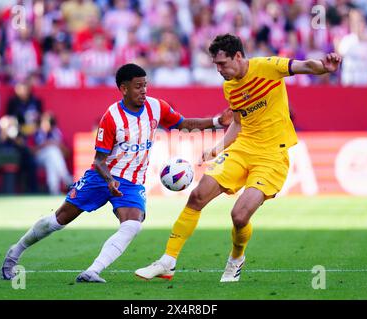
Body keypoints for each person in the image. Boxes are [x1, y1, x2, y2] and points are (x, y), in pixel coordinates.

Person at [135, 34, 341, 283]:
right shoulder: (230, 86)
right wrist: (217, 148)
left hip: (272, 156)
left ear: (238, 56)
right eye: (215, 65)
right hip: (242, 149)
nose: (219, 70)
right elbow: (238, 123)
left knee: (239, 216)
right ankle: (168, 261)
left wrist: (324, 67)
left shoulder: (267, 67)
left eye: (222, 63)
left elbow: (305, 66)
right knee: (197, 196)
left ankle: (236, 259)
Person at [0, 63, 232, 283]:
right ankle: (15, 252)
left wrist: (216, 121)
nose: (143, 91)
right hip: (101, 178)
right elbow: (99, 160)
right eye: (138, 86)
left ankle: (93, 271)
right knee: (58, 220)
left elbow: (182, 124)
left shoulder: (155, 107)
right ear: (123, 88)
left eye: (145, 85)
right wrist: (110, 180)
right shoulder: (111, 117)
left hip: (131, 184)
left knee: (133, 224)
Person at [32, 112, 73, 195]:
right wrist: (45, 144)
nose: (46, 125)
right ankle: (66, 177)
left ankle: (54, 190)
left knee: (51, 159)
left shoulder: (57, 134)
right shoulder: (36, 133)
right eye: (44, 122)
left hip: (52, 159)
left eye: (49, 123)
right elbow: (31, 152)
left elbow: (67, 154)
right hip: (37, 159)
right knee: (52, 151)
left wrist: (58, 145)